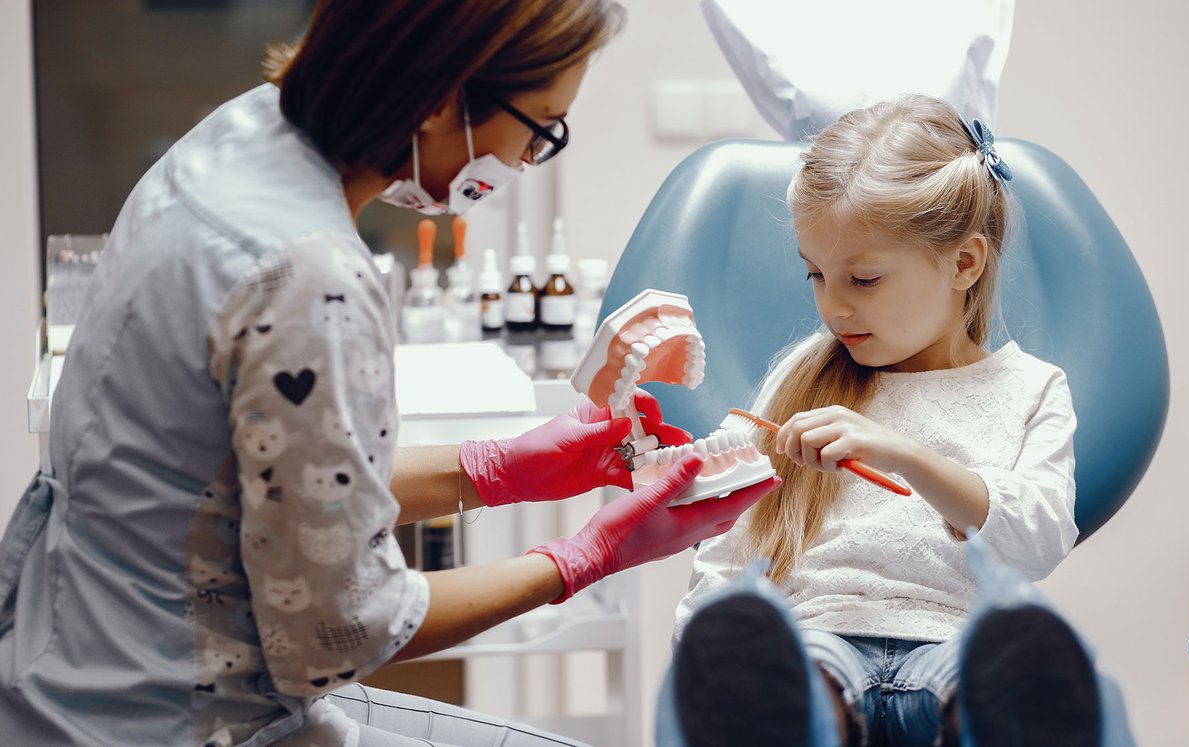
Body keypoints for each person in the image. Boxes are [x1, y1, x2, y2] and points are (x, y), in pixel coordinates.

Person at [0, 2, 778, 746]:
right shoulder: (312, 279)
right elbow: (342, 631)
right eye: (538, 129)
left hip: (66, 673)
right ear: (445, 99)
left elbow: (262, 492)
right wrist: (587, 556)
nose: (522, 161)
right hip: (172, 716)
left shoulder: (231, 139)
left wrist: (496, 470)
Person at [659, 95, 1108, 746]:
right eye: (816, 274)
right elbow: (736, 550)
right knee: (782, 677)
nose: (833, 305)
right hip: (819, 633)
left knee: (1003, 680)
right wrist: (700, 644)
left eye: (863, 279)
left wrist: (905, 454)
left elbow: (1037, 543)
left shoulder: (1032, 390)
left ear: (965, 263)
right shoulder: (803, 377)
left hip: (952, 638)